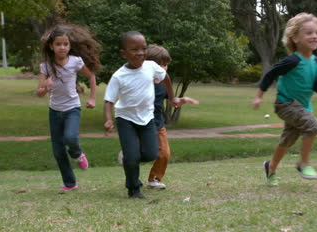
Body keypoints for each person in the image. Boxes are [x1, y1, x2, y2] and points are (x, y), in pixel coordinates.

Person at [252, 13, 317, 186]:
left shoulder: (315, 62)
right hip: (285, 104)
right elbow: (270, 74)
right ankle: (303, 163)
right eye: (309, 33)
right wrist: (259, 96)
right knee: (313, 126)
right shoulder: (292, 60)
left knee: (288, 140)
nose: (314, 36)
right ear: (295, 37)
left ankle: (271, 167)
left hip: (303, 107)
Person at [103, 31, 180, 199]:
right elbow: (109, 100)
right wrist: (108, 119)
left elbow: (165, 77)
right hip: (125, 119)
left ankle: (129, 157)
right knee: (132, 157)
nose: (140, 53)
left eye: (143, 48)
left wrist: (172, 96)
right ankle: (133, 188)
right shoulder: (119, 76)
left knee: (151, 154)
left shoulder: (151, 66)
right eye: (134, 49)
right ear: (124, 53)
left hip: (147, 118)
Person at [36, 23, 101, 193]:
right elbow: (39, 93)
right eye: (58, 44)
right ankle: (70, 183)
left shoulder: (75, 62)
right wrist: (46, 86)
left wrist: (93, 98)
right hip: (55, 111)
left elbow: (91, 76)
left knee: (70, 138)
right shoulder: (46, 66)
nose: (62, 47)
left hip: (72, 108)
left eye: (65, 44)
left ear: (70, 46)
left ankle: (78, 153)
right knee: (58, 151)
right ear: (51, 46)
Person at [145, 44, 199, 189]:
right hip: (141, 123)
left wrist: (182, 100)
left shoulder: (164, 83)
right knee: (143, 153)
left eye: (165, 65)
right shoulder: (142, 82)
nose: (164, 68)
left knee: (164, 153)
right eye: (160, 65)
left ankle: (154, 179)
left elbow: (172, 100)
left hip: (158, 123)